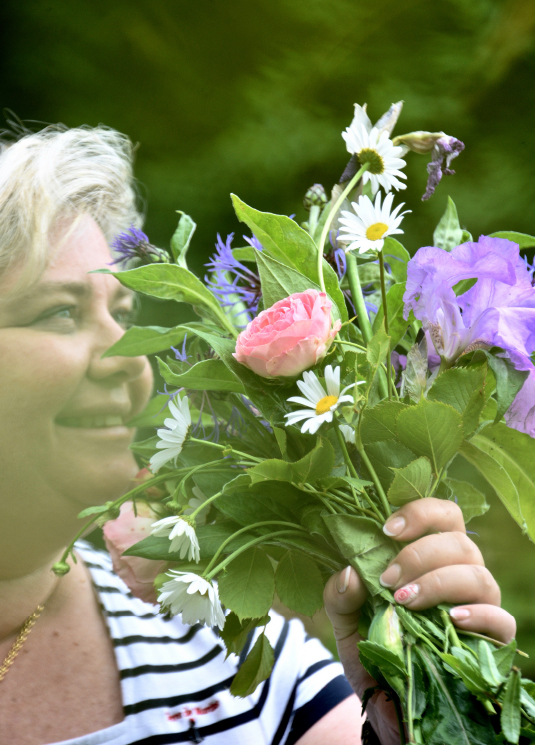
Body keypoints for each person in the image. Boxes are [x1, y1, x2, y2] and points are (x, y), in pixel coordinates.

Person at [0, 124, 515, 745]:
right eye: (60, 311)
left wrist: (420, 712)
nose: (131, 359)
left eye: (125, 313)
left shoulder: (228, 647)